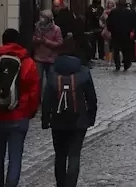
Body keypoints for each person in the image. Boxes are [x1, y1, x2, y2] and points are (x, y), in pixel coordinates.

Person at [0, 28, 41, 187]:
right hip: (19, 116)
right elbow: (34, 91)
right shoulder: (28, 62)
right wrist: (30, 111)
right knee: (15, 158)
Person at [41, 38, 98, 187]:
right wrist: (91, 117)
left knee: (60, 155)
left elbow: (47, 98)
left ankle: (60, 184)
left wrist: (45, 119)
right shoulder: (84, 71)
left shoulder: (53, 72)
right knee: (74, 155)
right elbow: (91, 98)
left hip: (58, 120)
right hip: (79, 120)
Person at [32, 9, 64, 87]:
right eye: (41, 16)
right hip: (39, 57)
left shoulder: (56, 29)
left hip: (51, 58)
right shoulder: (37, 27)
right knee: (38, 80)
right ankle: (38, 97)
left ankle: (49, 98)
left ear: (48, 19)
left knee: (51, 81)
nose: (41, 19)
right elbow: (33, 38)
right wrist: (37, 40)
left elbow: (60, 43)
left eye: (43, 17)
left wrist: (46, 42)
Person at [105, 0, 135, 71]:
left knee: (116, 50)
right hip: (126, 34)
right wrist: (130, 30)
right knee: (126, 50)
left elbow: (109, 22)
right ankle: (126, 64)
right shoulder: (129, 12)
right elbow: (133, 23)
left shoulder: (113, 12)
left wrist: (111, 30)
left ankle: (117, 65)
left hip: (115, 34)